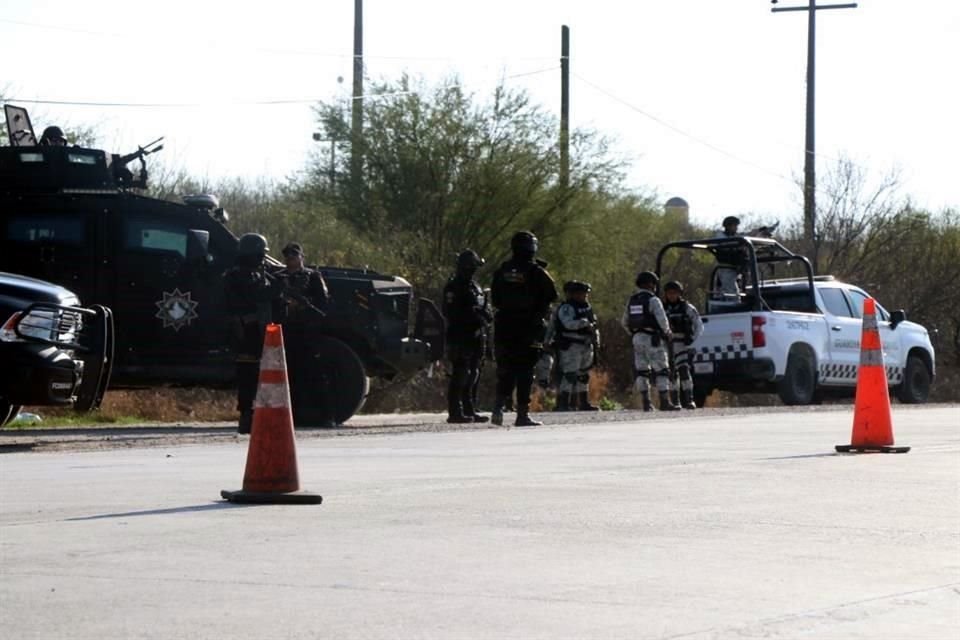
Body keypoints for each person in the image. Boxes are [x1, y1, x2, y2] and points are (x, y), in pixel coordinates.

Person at [490, 231, 558, 427]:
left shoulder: (502, 270)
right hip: (528, 327)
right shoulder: (536, 272)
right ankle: (522, 414)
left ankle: (498, 406)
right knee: (525, 371)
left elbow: (495, 298)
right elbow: (552, 295)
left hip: (504, 326)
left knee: (506, 368)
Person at [223, 233, 282, 434]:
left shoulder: (256, 275)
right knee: (247, 376)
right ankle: (246, 415)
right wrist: (274, 289)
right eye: (259, 255)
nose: (261, 260)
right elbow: (252, 296)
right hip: (244, 332)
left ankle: (258, 413)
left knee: (260, 376)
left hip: (257, 332)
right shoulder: (235, 276)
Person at [275, 242, 332, 426]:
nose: (291, 259)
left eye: (294, 256)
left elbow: (323, 301)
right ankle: (294, 417)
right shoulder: (279, 278)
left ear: (301, 257)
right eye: (288, 257)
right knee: (290, 375)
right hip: (288, 330)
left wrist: (304, 304)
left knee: (315, 372)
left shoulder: (312, 276)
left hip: (308, 330)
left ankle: (326, 415)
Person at [442, 249, 492, 424]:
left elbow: (485, 308)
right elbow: (451, 312)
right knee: (461, 374)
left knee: (474, 374)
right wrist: (473, 316)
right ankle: (455, 412)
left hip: (477, 335)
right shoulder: (454, 286)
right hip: (460, 335)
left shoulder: (475, 286)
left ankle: (470, 409)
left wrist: (485, 316)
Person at [621, 271, 679, 412]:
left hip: (637, 339)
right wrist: (668, 333)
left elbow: (624, 322)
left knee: (642, 371)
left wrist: (634, 333)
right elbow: (662, 320)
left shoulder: (632, 300)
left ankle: (646, 403)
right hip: (653, 339)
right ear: (650, 284)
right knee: (662, 370)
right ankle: (664, 402)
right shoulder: (653, 300)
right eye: (654, 284)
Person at [552, 280, 600, 412]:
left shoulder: (587, 307)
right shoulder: (567, 308)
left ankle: (584, 402)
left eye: (585, 293)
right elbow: (568, 324)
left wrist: (596, 339)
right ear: (573, 294)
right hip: (571, 344)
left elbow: (594, 324)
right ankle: (563, 403)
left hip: (586, 344)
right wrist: (583, 323)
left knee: (583, 374)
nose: (584, 296)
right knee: (569, 374)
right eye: (581, 293)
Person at [663, 280, 704, 409]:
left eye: (674, 293)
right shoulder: (662, 308)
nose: (672, 296)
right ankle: (675, 402)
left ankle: (689, 400)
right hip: (668, 344)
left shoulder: (687, 307)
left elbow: (699, 325)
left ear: (679, 293)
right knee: (671, 374)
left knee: (684, 371)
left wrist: (692, 340)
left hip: (683, 343)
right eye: (669, 293)